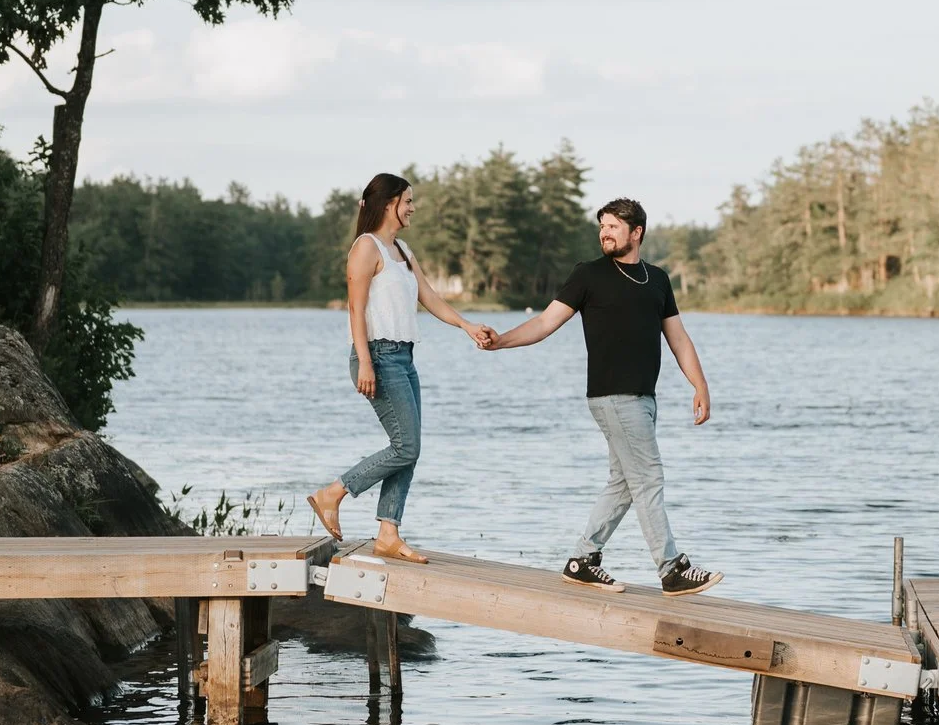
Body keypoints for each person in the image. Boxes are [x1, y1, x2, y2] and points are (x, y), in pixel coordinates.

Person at [479, 197, 721, 595]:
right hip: (613, 395)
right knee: (649, 478)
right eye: (602, 226)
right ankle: (671, 568)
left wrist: (700, 385)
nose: (604, 233)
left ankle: (582, 560)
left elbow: (678, 337)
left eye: (612, 226)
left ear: (636, 232)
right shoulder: (588, 275)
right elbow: (544, 322)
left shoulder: (657, 279)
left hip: (644, 398)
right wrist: (501, 341)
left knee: (625, 483)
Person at [308, 173, 493, 562]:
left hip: (404, 357)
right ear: (389, 202)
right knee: (406, 446)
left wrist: (466, 325)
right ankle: (334, 493)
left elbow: (429, 297)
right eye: (408, 200)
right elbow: (355, 309)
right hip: (376, 355)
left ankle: (388, 533)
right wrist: (366, 363)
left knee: (409, 447)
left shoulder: (403, 250)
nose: (412, 207)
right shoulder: (366, 247)